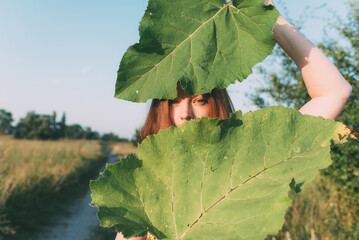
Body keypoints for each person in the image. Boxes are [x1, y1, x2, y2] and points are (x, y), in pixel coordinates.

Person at [116, 1, 352, 239]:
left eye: (199, 101)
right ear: (159, 109)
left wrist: (267, 16)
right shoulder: (146, 181)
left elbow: (334, 92)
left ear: (216, 104)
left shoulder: (248, 159)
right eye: (174, 101)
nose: (185, 113)